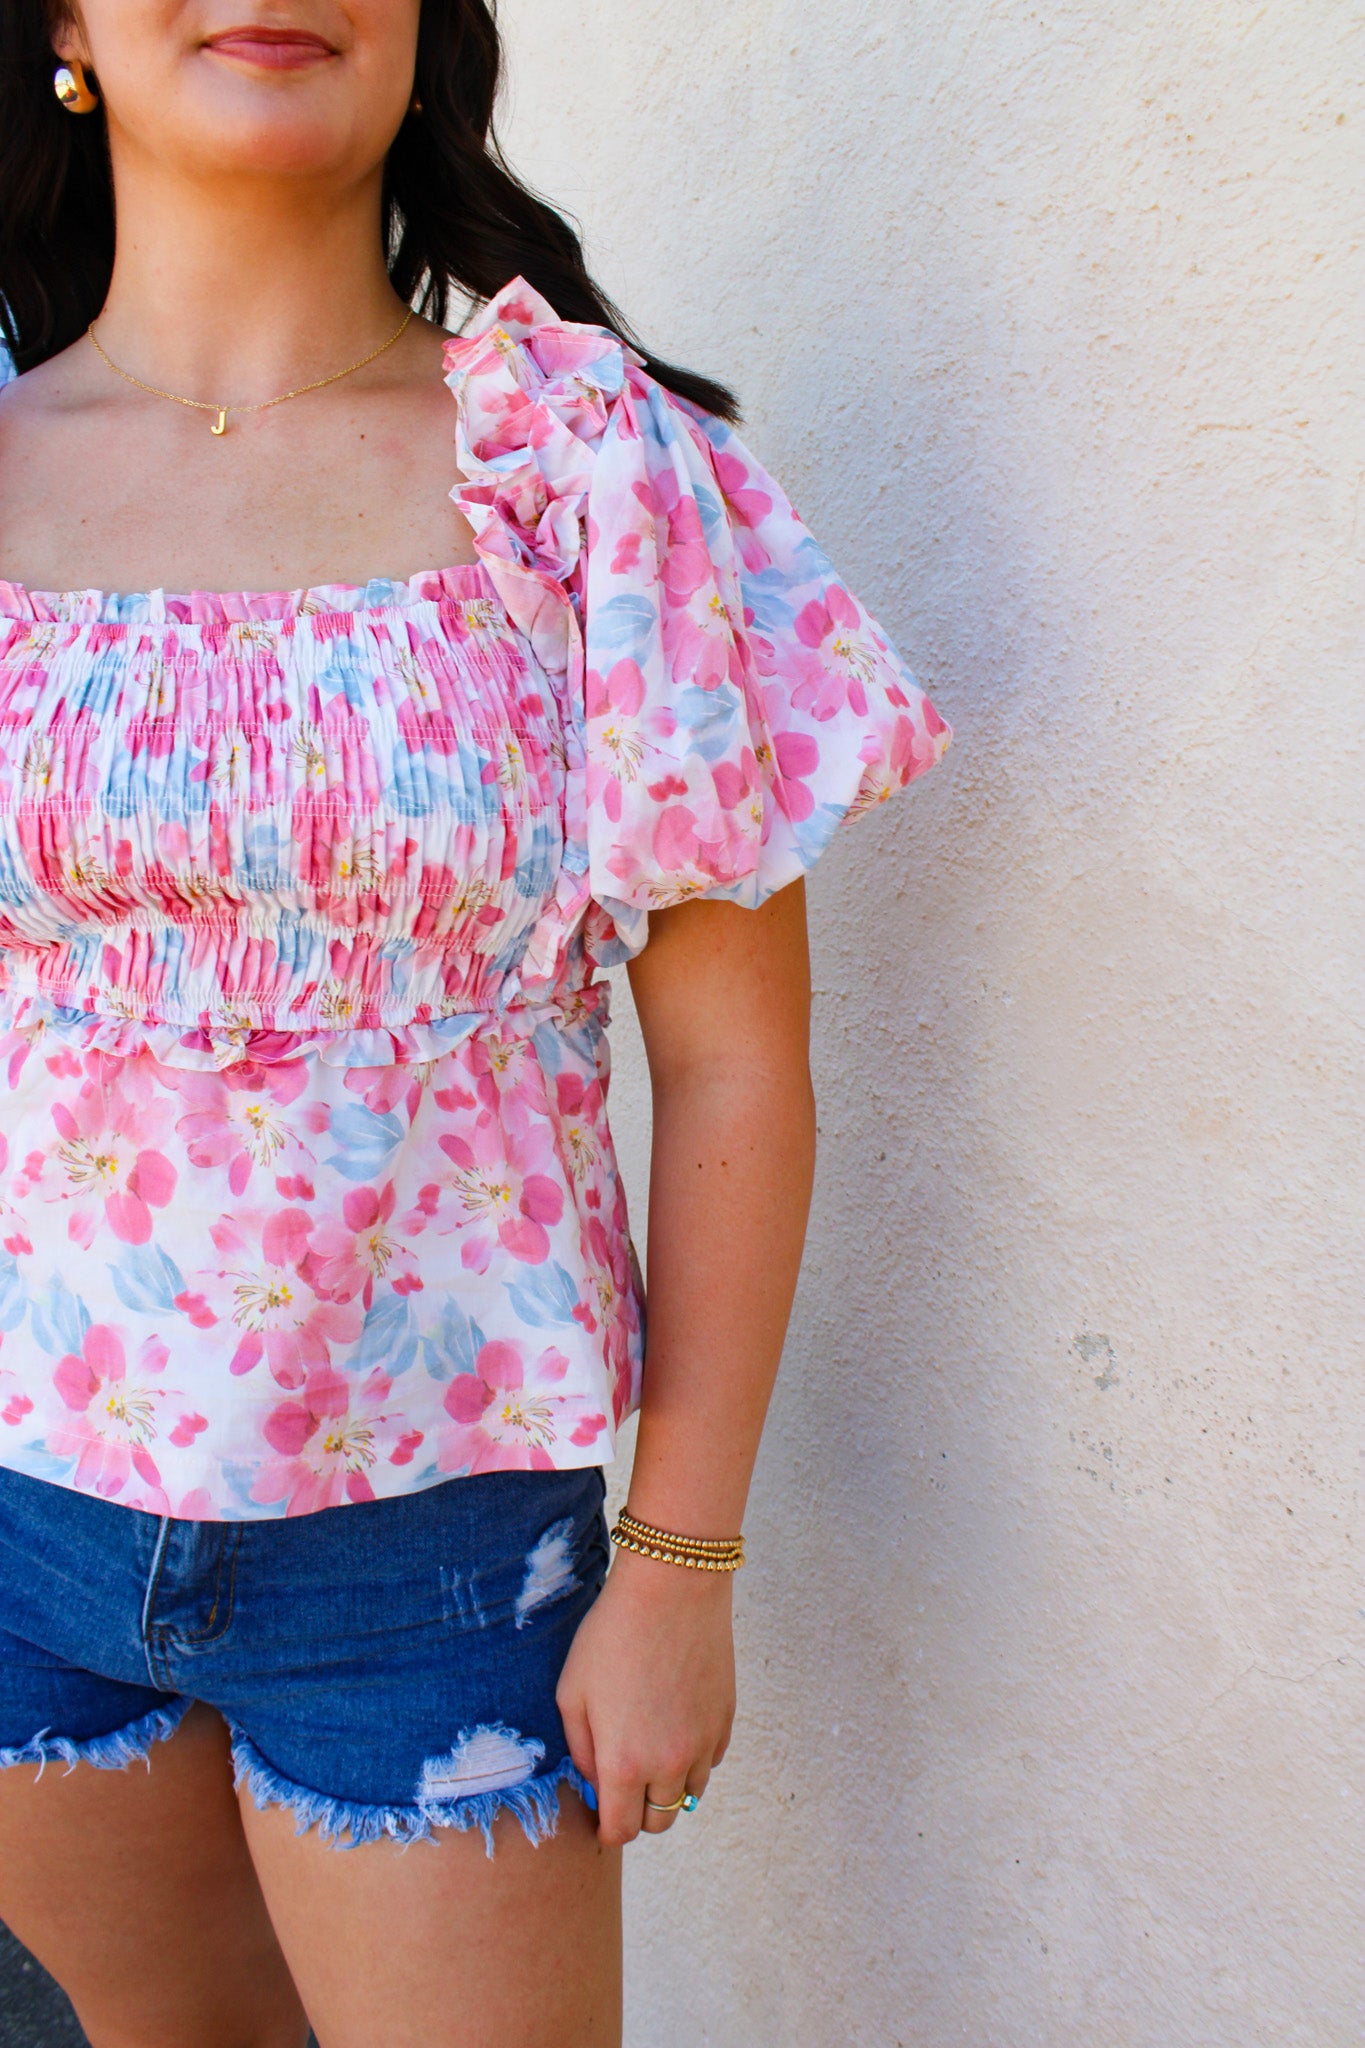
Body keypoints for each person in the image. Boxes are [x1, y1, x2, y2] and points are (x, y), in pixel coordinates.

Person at [0, 4, 950, 2043]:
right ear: (64, 22)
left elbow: (729, 1059)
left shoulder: (591, 470)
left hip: (435, 1563)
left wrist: (680, 1558)